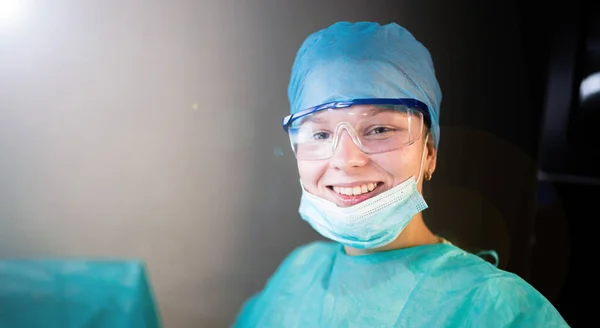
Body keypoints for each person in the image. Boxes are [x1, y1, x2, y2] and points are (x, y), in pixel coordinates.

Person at [233, 21, 570, 327]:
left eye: (379, 129)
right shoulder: (298, 273)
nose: (346, 160)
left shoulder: (498, 310)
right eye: (320, 135)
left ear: (429, 152)